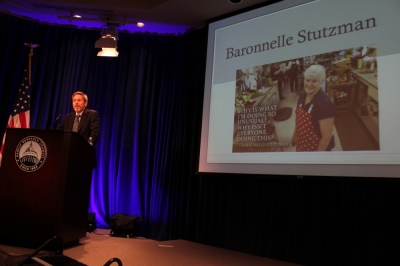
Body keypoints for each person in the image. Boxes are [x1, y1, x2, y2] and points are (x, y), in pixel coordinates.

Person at [291, 65, 335, 151]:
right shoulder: (303, 96)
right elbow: (298, 120)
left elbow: (327, 137)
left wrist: (316, 159)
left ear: (321, 82)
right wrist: (294, 135)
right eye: (307, 80)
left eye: (314, 81)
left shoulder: (324, 104)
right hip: (302, 142)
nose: (309, 84)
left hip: (317, 148)